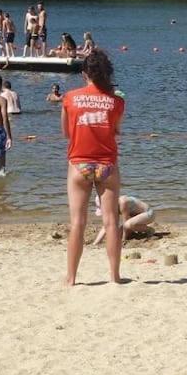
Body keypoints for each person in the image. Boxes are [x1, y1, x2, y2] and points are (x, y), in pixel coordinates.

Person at [62, 49, 125, 285]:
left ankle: (71, 278)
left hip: (79, 164)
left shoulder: (70, 97)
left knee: (77, 222)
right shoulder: (117, 101)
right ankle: (115, 276)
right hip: (107, 163)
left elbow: (66, 132)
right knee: (110, 221)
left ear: (84, 73)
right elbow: (116, 130)